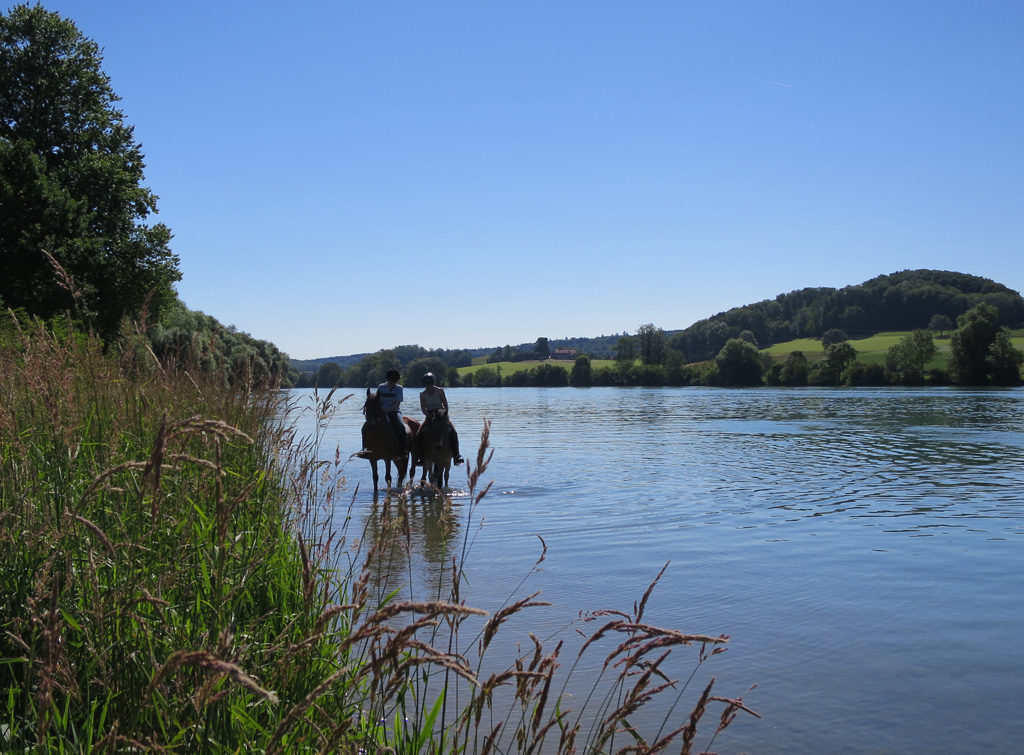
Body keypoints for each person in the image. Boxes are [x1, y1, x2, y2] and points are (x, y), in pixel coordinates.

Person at [419, 372, 463, 464]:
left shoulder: (440, 391)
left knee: (454, 432)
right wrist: (428, 415)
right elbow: (423, 409)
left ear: (433, 383)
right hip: (430, 415)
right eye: (427, 385)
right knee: (419, 433)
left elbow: (446, 405)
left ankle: (457, 455)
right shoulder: (422, 394)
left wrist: (443, 414)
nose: (429, 387)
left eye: (430, 385)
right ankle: (421, 456)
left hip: (441, 414)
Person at [376, 368, 407, 453]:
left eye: (394, 382)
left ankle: (403, 449)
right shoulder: (381, 387)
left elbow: (397, 403)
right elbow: (377, 400)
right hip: (381, 411)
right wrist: (381, 408)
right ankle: (366, 449)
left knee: (401, 427)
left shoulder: (399, 388)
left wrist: (388, 410)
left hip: (394, 411)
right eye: (391, 382)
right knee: (366, 427)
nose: (392, 384)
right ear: (387, 380)